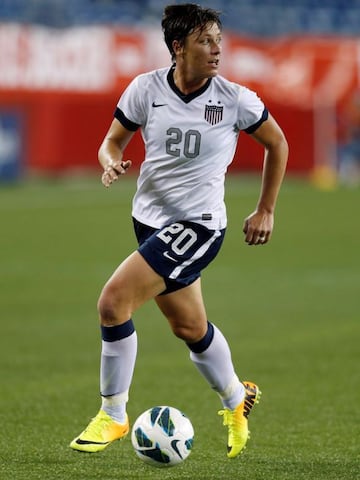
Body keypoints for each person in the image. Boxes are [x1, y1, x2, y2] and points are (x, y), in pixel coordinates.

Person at [70, 3, 288, 459]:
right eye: (205, 42)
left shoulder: (234, 99)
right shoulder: (145, 89)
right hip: (148, 221)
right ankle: (236, 398)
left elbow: (277, 142)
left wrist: (265, 209)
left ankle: (112, 413)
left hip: (198, 226)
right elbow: (111, 141)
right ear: (177, 47)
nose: (216, 51)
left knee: (113, 302)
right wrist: (111, 163)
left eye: (219, 42)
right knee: (189, 326)